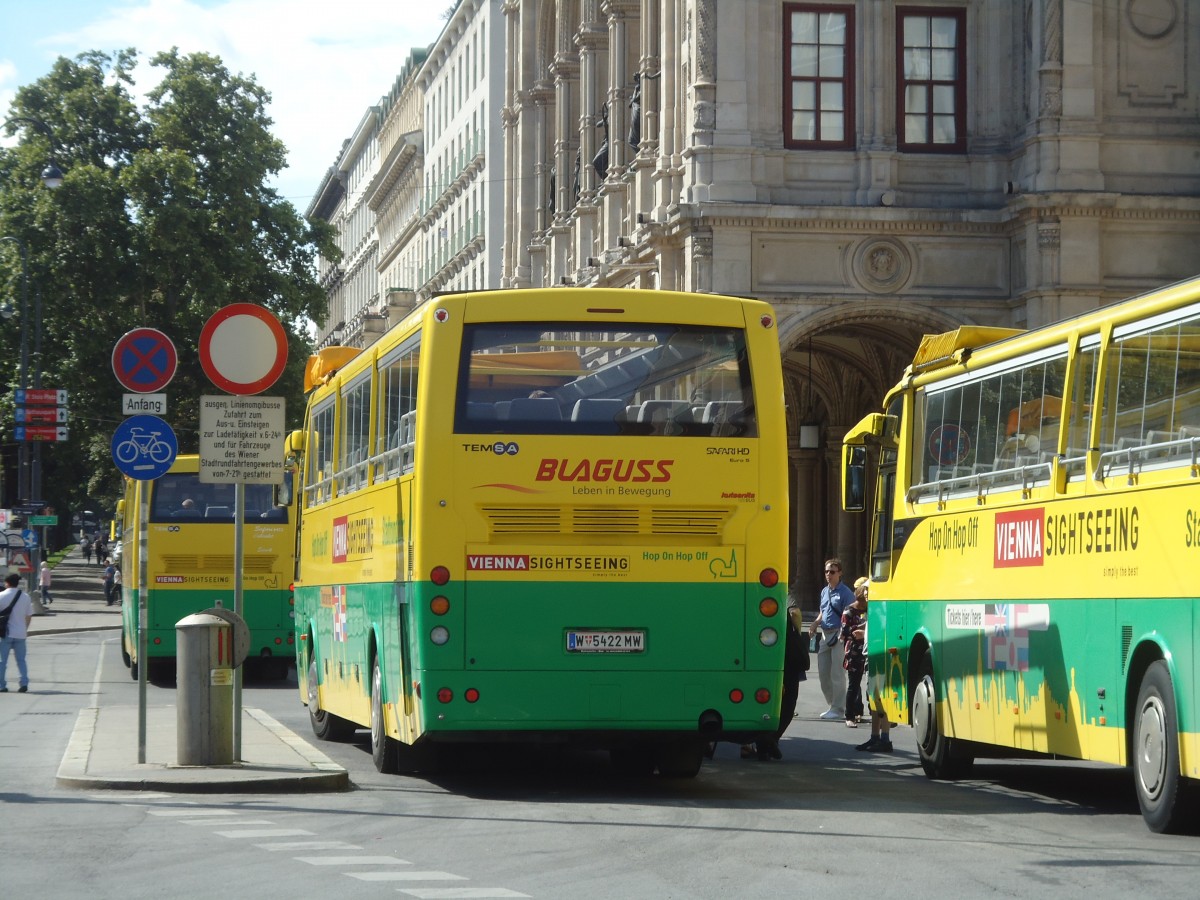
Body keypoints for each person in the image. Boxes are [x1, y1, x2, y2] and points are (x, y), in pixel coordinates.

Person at [744, 580, 808, 760]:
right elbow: (795, 613)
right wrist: (794, 633)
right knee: (787, 700)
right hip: (784, 653)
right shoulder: (782, 593)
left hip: (756, 653)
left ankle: (750, 743)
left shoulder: (750, 592)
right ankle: (769, 739)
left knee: (755, 697)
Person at [808, 557, 854, 720]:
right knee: (823, 673)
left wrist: (843, 633)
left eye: (832, 571)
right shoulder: (824, 591)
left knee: (837, 673)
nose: (828, 574)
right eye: (826, 571)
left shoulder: (846, 593)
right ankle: (833, 704)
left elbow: (850, 615)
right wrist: (815, 623)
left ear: (839, 573)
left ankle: (838, 709)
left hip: (839, 634)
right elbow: (823, 610)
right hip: (825, 634)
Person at [855, 579, 893, 752]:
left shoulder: (882, 609)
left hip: (879, 657)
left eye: (869, 591)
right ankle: (875, 737)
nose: (866, 594)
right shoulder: (874, 610)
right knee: (873, 699)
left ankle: (884, 739)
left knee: (880, 699)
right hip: (872, 655)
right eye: (865, 591)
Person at [841, 577, 869, 727]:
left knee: (872, 684)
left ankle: (873, 713)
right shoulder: (849, 610)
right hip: (854, 652)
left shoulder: (870, 609)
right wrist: (858, 630)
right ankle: (849, 716)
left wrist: (864, 629)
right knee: (854, 685)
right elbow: (845, 630)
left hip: (869, 649)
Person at [0, 573, 34, 692]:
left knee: (2, 661)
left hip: (5, 634)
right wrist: (25, 629)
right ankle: (23, 683)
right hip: (20, 633)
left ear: (7, 583)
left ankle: (2, 685)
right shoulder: (25, 597)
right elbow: (29, 616)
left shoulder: (1, 596)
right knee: (21, 660)